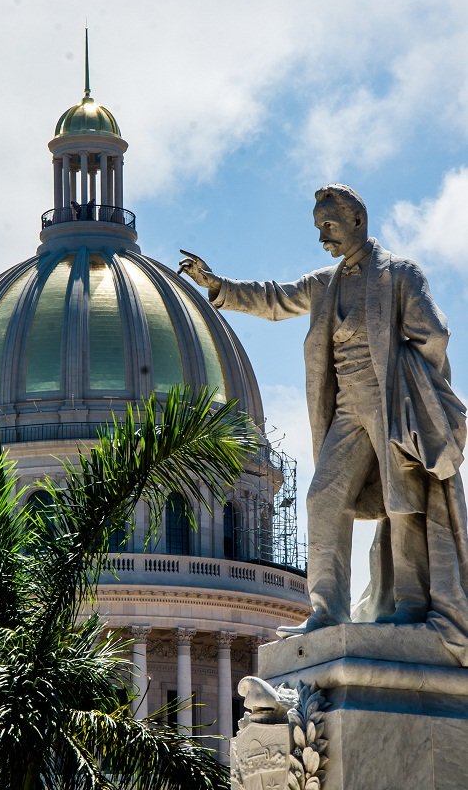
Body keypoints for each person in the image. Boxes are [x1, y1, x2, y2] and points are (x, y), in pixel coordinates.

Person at [178, 184, 468, 659]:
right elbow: (275, 299)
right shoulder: (325, 283)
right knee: (323, 498)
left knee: (404, 503)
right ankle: (327, 610)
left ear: (357, 220)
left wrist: (414, 389)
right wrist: (218, 285)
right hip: (349, 409)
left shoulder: (399, 274)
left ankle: (412, 607)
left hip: (393, 403)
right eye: (318, 229)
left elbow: (433, 333)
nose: (323, 239)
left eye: (328, 227)